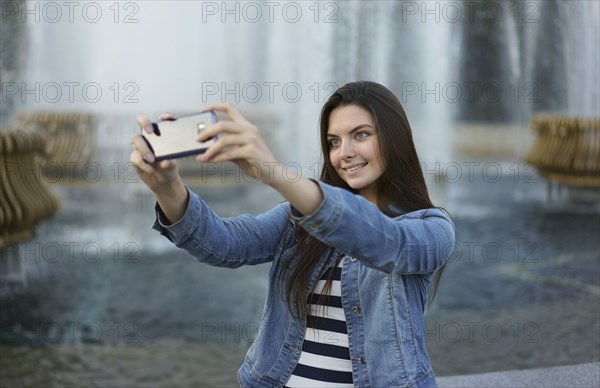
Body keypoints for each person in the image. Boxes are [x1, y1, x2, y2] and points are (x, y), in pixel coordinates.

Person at [130, 81, 455, 387]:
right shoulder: (297, 219)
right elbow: (227, 245)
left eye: (361, 135)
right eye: (334, 142)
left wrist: (272, 171)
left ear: (394, 138)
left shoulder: (431, 228)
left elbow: (384, 242)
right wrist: (168, 188)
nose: (345, 153)